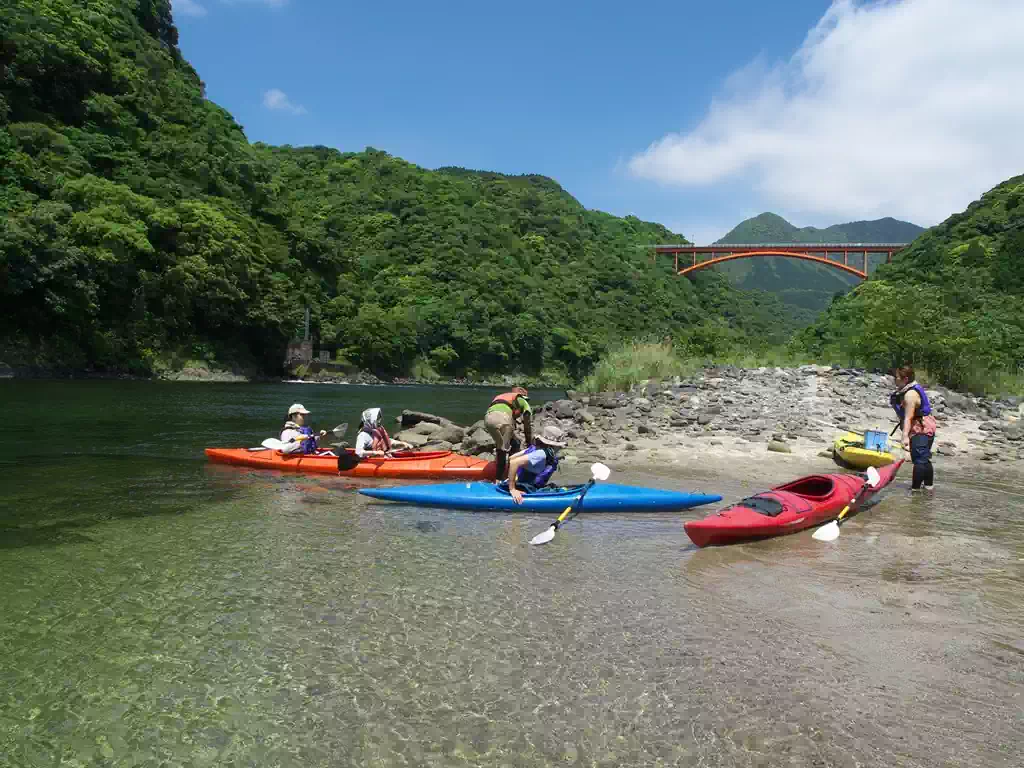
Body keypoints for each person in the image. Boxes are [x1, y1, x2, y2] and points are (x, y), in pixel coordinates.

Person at [889, 365, 937, 492]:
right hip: (924, 425)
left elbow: (908, 418)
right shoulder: (904, 391)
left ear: (905, 380)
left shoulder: (910, 395)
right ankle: (929, 487)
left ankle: (915, 490)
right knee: (924, 458)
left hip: (921, 428)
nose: (894, 380)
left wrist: (904, 436)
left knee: (919, 460)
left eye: (897, 377)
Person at [506, 425, 567, 504]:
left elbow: (511, 458)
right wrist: (512, 489)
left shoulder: (535, 449)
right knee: (558, 490)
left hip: (520, 483)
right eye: (559, 446)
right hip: (524, 487)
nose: (560, 448)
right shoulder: (541, 454)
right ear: (553, 445)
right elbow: (514, 462)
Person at [484, 386, 533, 482]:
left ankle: (501, 472)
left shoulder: (501, 397)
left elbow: (498, 411)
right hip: (503, 419)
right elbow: (527, 424)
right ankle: (504, 477)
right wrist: (529, 442)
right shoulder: (522, 401)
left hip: (487, 419)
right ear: (523, 396)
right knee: (509, 447)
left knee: (503, 445)